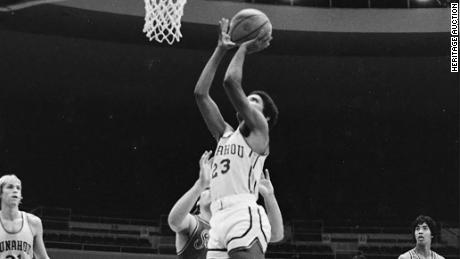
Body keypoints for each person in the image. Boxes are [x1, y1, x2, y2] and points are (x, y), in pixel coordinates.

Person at [194, 17, 283, 259]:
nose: (247, 101)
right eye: (248, 98)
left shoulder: (259, 132)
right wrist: (220, 49)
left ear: (263, 116)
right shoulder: (224, 134)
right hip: (218, 218)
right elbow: (201, 94)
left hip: (243, 213)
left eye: (254, 101)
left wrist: (243, 47)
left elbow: (230, 82)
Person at [168, 151, 283, 259]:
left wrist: (269, 196)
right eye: (209, 188)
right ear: (198, 201)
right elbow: (174, 221)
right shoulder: (193, 223)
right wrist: (200, 185)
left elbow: (275, 234)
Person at [0, 174, 50, 259]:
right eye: (10, 187)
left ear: (20, 196)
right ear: (1, 193)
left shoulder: (33, 222)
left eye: (18, 188)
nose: (15, 190)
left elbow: (42, 257)